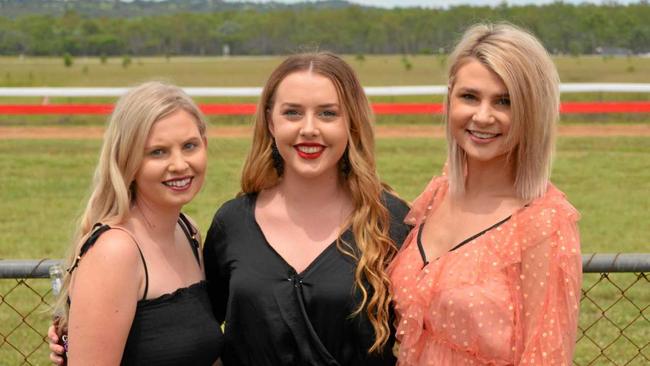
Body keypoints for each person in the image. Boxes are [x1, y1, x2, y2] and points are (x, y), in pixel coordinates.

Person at [388, 23, 582, 365]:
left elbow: (545, 355)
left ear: (531, 110)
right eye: (469, 96)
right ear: (450, 97)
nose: (483, 116)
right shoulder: (437, 195)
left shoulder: (543, 224)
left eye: (504, 101)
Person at [203, 52, 411, 365]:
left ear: (351, 122)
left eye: (328, 114)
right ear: (271, 121)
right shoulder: (231, 223)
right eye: (293, 113)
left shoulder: (391, 222)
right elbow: (198, 333)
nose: (309, 129)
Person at [48, 81, 223, 365]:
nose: (179, 164)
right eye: (158, 152)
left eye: (189, 146)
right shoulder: (116, 251)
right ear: (127, 160)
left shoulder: (187, 230)